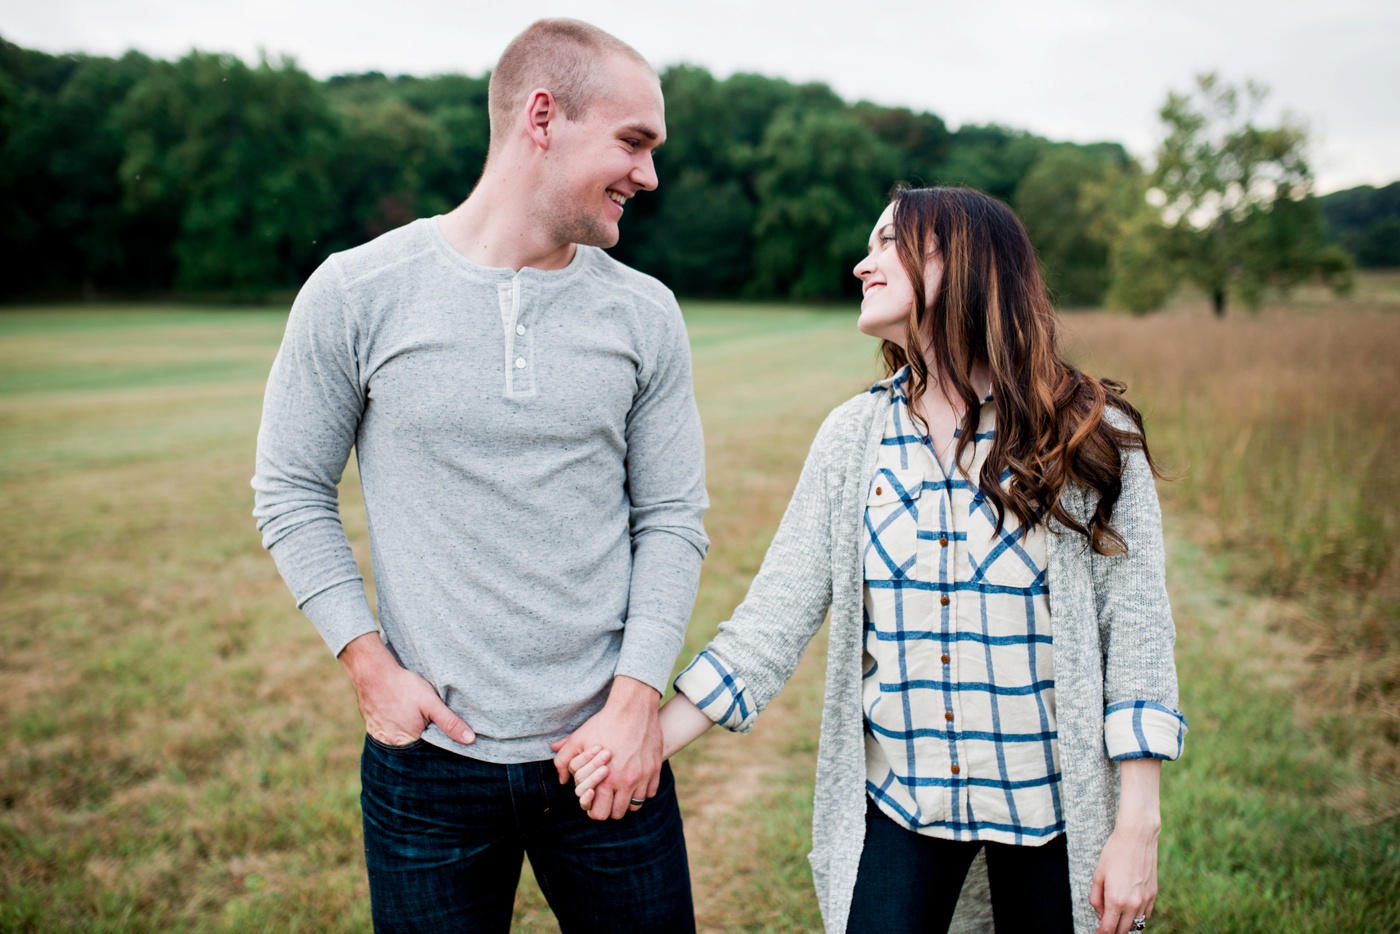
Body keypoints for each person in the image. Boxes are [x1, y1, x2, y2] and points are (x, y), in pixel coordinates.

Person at [572, 186, 1187, 934]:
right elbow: (771, 622)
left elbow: (1139, 641)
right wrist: (641, 743)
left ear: (962, 262)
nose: (861, 265)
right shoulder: (852, 438)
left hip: (1055, 811)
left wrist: (1136, 827)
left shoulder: (1090, 433)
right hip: (902, 807)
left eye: (886, 242)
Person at [251, 18, 708, 933]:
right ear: (543, 117)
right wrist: (368, 663)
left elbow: (670, 518)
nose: (649, 175)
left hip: (607, 758)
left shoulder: (645, 314)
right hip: (427, 768)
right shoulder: (355, 292)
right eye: (633, 142)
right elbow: (291, 491)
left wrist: (635, 704)